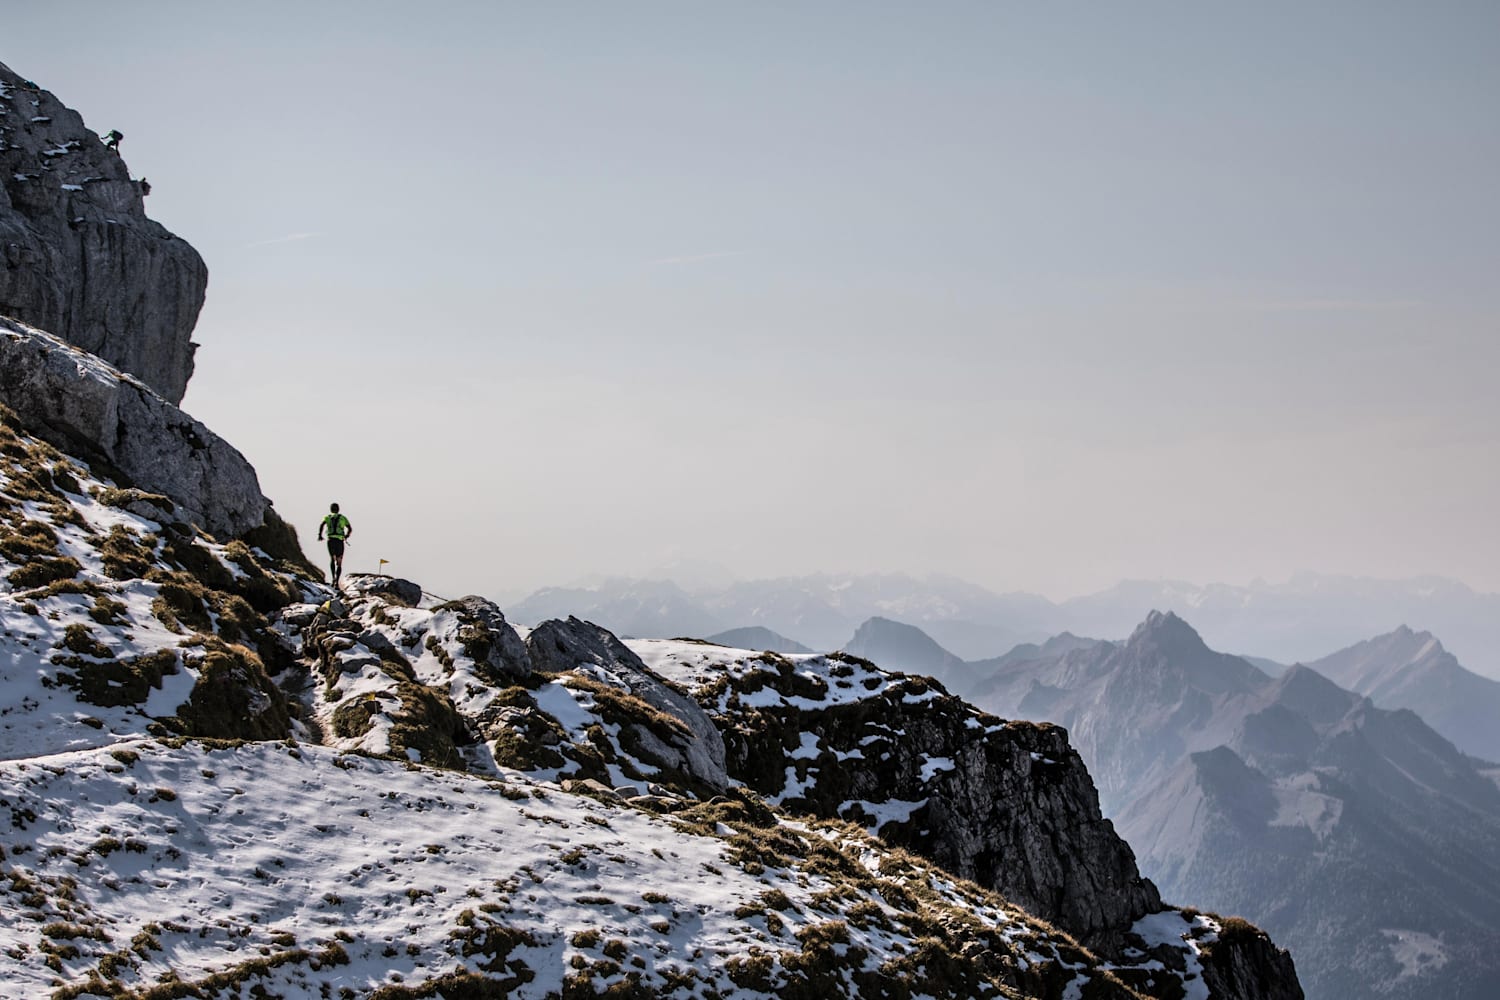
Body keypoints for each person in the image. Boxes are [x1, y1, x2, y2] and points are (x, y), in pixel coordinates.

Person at [317, 503, 352, 585]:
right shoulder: (343, 518)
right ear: (338, 509)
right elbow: (350, 528)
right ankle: (337, 581)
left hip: (331, 540)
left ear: (331, 509)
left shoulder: (327, 517)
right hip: (339, 541)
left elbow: (322, 525)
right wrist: (346, 536)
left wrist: (320, 535)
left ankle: (333, 578)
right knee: (339, 561)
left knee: (332, 559)